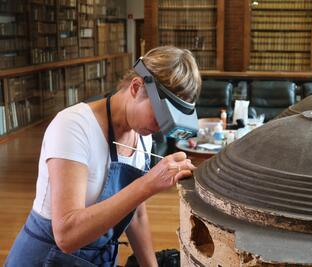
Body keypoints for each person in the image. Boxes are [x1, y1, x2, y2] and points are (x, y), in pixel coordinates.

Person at [5, 46, 202, 266]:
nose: (161, 128)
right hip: (49, 258)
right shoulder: (73, 126)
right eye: (160, 115)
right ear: (136, 87)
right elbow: (67, 236)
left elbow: (135, 216)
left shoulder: (142, 136)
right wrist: (149, 183)